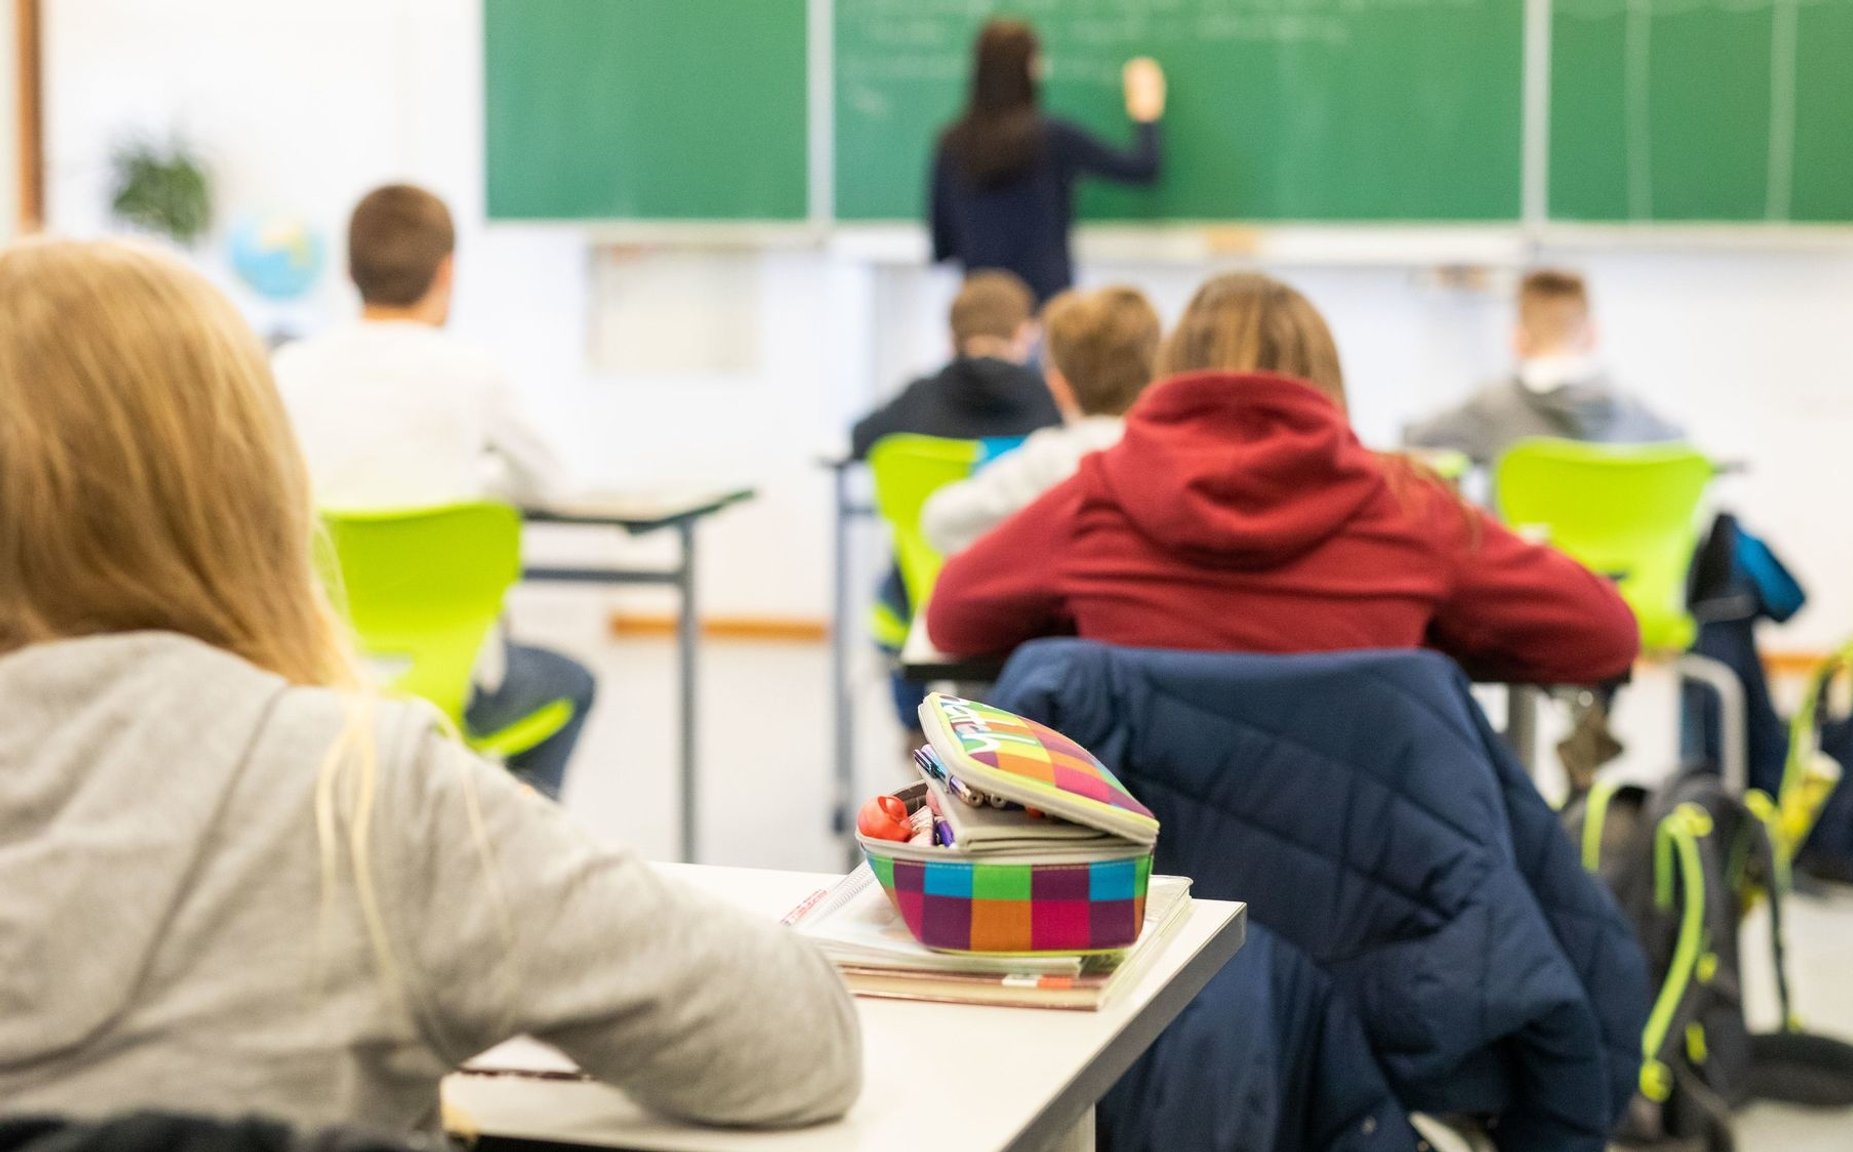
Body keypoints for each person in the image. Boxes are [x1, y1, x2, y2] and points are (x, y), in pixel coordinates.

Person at [0, 239, 861, 1129]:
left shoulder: (304, 365)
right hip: (438, 691)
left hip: (356, 658)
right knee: (563, 687)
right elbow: (804, 1042)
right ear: (247, 480)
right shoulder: (361, 794)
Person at [925, 272, 1641, 686]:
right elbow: (1605, 634)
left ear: (1171, 373)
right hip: (1366, 907)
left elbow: (953, 618)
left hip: (1155, 907)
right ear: (1326, 378)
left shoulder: (1097, 497)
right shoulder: (1405, 506)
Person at [275, 184, 592, 799]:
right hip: (456, 688)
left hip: (315, 675)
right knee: (574, 683)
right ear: (447, 271)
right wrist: (480, 484)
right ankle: (517, 851)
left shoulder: (288, 371)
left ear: (348, 274)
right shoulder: (472, 373)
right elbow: (553, 482)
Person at [929, 19, 1166, 305]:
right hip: (1048, 309)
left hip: (983, 312)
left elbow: (942, 246)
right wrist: (1146, 107)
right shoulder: (1051, 138)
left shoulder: (951, 143)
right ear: (1028, 68)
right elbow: (1142, 167)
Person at [922, 285, 1159, 555]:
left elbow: (941, 521)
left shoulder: (1050, 460)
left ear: (1058, 385)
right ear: (1157, 370)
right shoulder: (1168, 456)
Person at [1404, 269, 1683, 465]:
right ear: (1592, 336)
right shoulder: (1630, 409)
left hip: (1528, 548)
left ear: (1518, 340)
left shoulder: (1491, 405)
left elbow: (1415, 439)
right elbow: (1684, 450)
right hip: (1624, 550)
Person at [850, 268, 1061, 456]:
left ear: (952, 337)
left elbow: (860, 439)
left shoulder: (919, 396)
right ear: (1024, 333)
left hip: (933, 501)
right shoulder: (1052, 400)